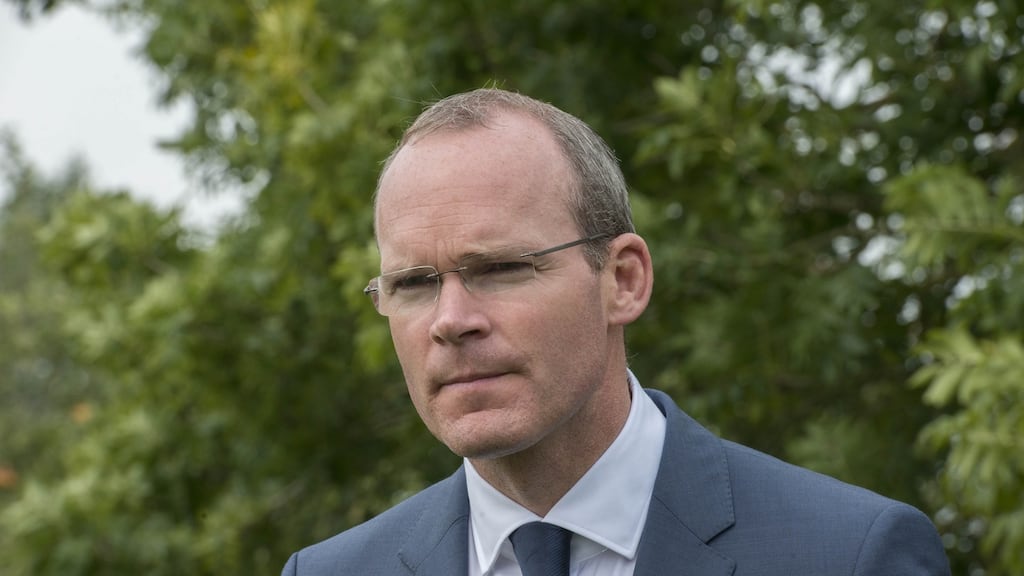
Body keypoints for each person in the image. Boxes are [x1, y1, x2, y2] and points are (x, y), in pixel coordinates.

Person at [281, 88, 950, 575]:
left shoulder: (849, 555)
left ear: (623, 279)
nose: (452, 321)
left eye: (502, 268)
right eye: (414, 284)